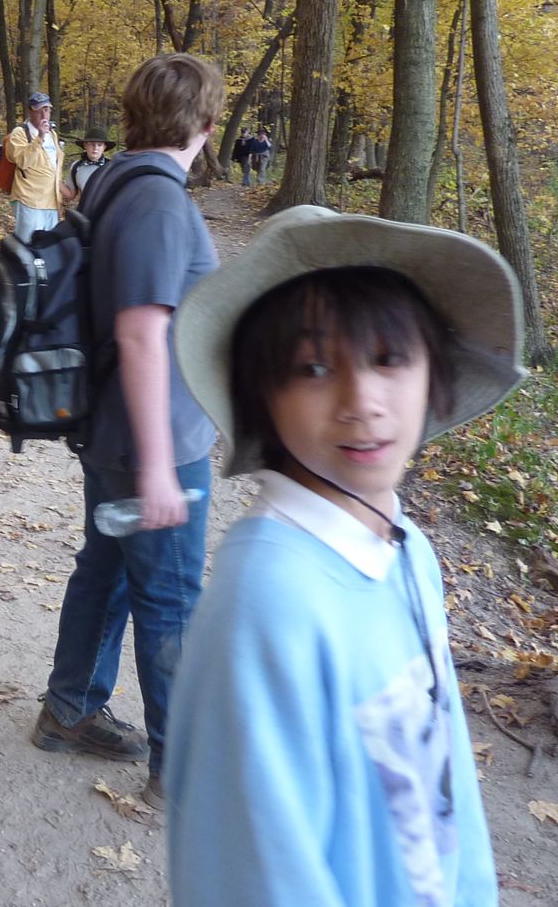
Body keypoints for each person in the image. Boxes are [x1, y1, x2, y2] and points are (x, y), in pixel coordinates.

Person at [164, 206, 525, 905]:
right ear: (261, 395)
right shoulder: (267, 604)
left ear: (434, 372)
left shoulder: (406, 548)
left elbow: (449, 786)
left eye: (390, 359)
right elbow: (251, 869)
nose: (362, 402)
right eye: (314, 368)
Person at [31, 52, 224, 807]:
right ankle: (179, 775)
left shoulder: (110, 179)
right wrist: (155, 467)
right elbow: (144, 333)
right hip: (153, 445)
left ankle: (70, 709)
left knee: (108, 569)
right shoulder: (158, 201)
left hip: (110, 429)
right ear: (206, 125)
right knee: (171, 599)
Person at [4, 91, 65, 242]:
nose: (44, 115)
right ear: (31, 111)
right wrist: (39, 138)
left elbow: (55, 165)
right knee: (27, 244)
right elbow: (23, 161)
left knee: (48, 246)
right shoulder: (20, 133)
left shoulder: (53, 135)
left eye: (47, 110)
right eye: (39, 110)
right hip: (29, 199)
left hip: (52, 201)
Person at [60, 126, 114, 206]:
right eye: (92, 144)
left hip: (107, 212)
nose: (95, 148)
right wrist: (54, 179)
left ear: (104, 147)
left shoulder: (112, 167)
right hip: (85, 211)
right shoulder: (77, 167)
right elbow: (71, 195)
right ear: (85, 145)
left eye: (99, 145)